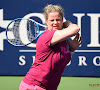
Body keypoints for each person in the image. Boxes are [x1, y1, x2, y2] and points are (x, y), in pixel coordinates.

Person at [19, 4, 82, 90]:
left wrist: (71, 50)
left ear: (61, 19)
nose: (55, 23)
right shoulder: (47, 36)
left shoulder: (62, 38)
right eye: (52, 20)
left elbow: (60, 63)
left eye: (58, 20)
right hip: (34, 86)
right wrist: (68, 23)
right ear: (47, 21)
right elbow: (75, 29)